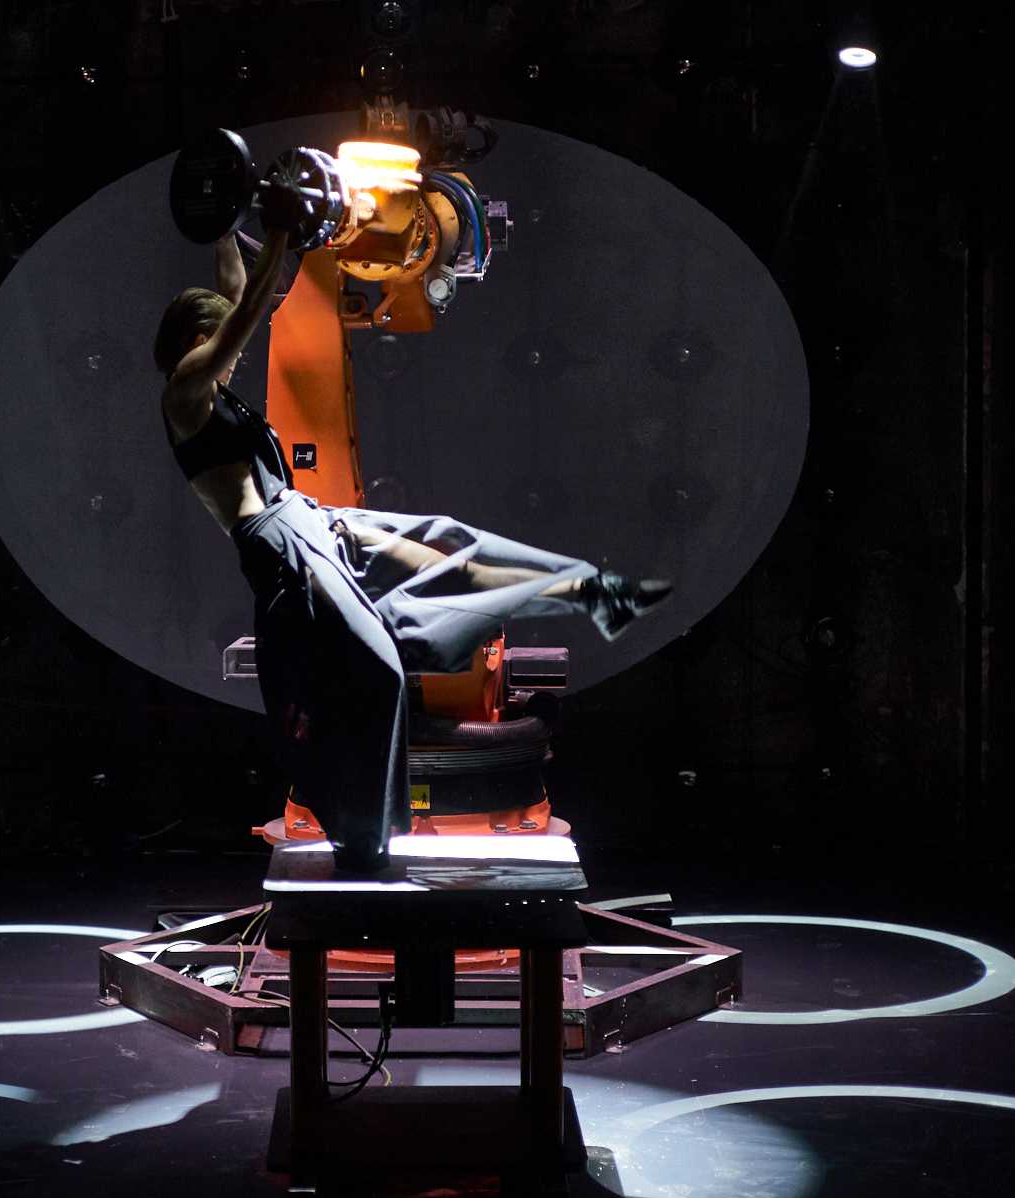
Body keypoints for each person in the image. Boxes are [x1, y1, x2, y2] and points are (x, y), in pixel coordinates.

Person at [156, 223, 671, 876]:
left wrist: (225, 224)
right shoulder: (184, 394)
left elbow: (234, 293)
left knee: (446, 541)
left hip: (313, 519)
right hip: (283, 548)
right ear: (196, 341)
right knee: (381, 674)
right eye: (221, 343)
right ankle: (362, 845)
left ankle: (592, 593)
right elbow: (243, 314)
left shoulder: (212, 384)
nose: (236, 357)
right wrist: (281, 235)